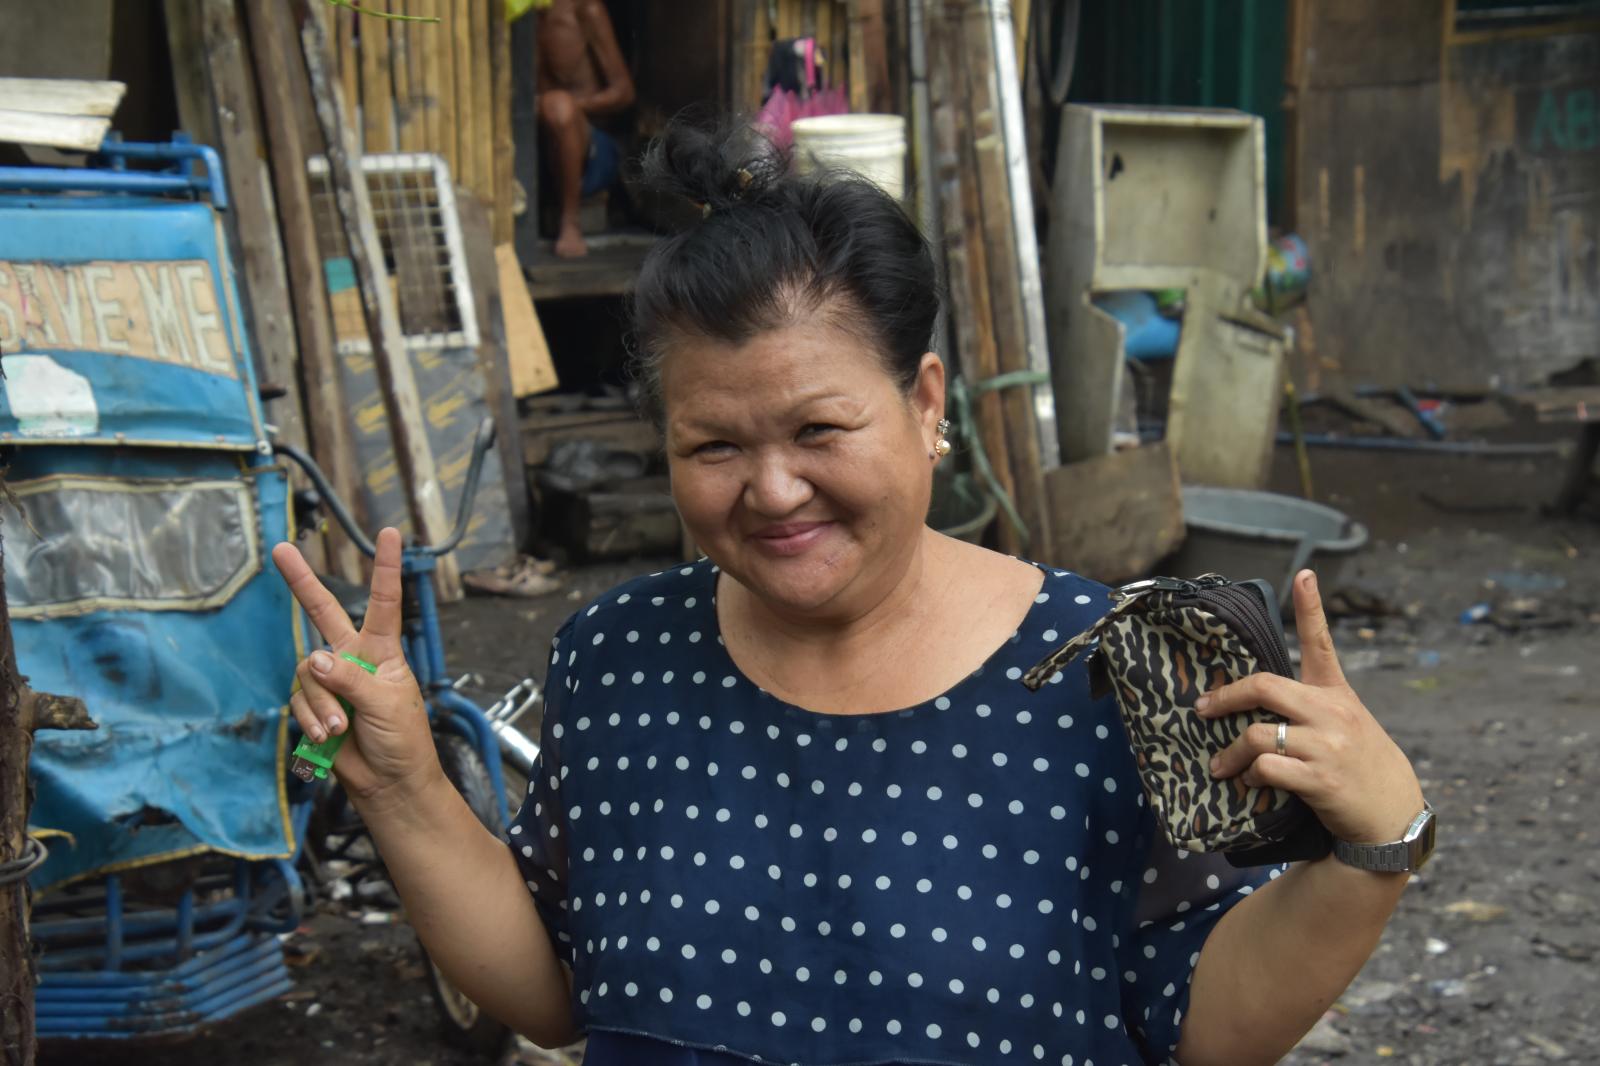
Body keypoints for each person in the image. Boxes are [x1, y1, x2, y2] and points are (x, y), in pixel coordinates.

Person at [271, 121, 1432, 1065]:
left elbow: (1197, 1021)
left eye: (819, 428)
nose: (772, 490)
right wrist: (409, 786)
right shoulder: (615, 656)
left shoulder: (1101, 662)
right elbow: (561, 992)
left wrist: (1374, 846)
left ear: (926, 403)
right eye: (711, 445)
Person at [536, 0, 634, 259]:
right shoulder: (515, 15)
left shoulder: (585, 9)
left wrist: (571, 107)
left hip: (594, 157)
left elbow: (623, 92)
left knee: (558, 105)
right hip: (541, 152)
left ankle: (570, 223)